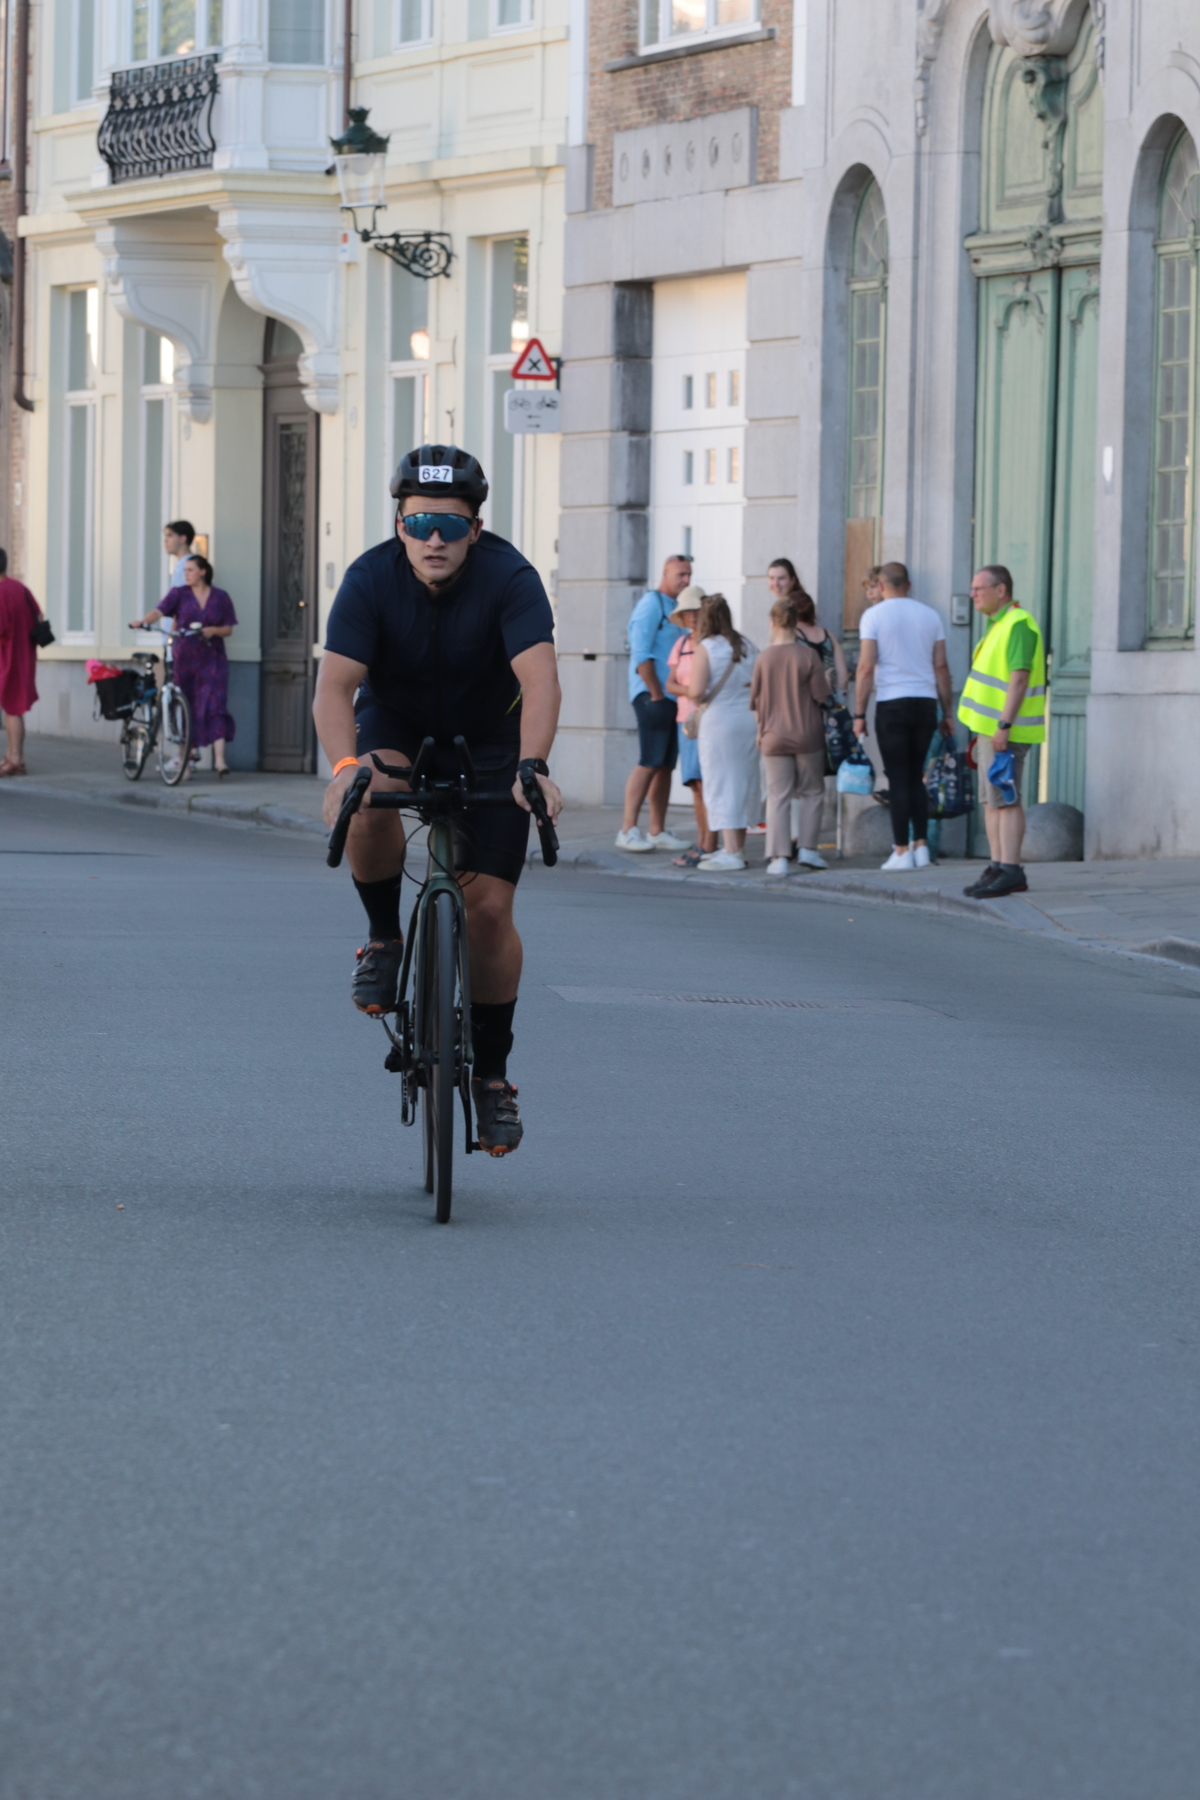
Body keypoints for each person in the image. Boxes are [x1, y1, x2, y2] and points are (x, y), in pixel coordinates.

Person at [312, 443, 562, 1158]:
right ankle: (384, 939)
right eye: (419, 524)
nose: (433, 539)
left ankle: (492, 1077)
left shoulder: (511, 578)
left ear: (474, 531)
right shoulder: (369, 579)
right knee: (368, 793)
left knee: (488, 912)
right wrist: (343, 767)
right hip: (398, 728)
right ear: (400, 525)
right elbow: (335, 687)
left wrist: (533, 766)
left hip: (492, 740)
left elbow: (540, 682)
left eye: (450, 526)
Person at [853, 561, 953, 871]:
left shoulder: (873, 616)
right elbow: (940, 666)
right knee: (916, 777)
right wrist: (947, 712)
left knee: (897, 778)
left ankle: (900, 851)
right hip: (925, 703)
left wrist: (859, 713)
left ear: (881, 586)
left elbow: (866, 667)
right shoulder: (931, 615)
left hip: (892, 703)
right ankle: (921, 847)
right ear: (908, 585)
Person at [957, 564, 1046, 899]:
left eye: (979, 588)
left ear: (1001, 590)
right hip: (990, 731)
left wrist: (1004, 726)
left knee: (1006, 800)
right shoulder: (999, 625)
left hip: (1006, 731)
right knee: (991, 801)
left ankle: (1011, 870)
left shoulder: (1018, 624)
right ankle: (997, 866)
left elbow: (1019, 679)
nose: (972, 594)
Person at [130, 554, 237, 776]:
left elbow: (228, 628)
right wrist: (143, 622)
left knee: (216, 704)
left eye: (190, 570)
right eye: (185, 570)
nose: (186, 574)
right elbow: (159, 611)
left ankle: (220, 760)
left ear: (202, 572)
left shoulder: (220, 597)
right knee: (184, 707)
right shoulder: (179, 594)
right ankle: (185, 763)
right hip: (185, 658)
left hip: (213, 658)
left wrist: (213, 631)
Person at [615, 554, 693, 853]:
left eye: (689, 574)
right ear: (665, 573)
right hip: (652, 696)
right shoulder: (652, 604)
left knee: (664, 766)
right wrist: (657, 694)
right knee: (649, 761)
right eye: (680, 574)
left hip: (672, 697)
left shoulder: (675, 607)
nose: (686, 579)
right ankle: (627, 830)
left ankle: (656, 830)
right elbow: (640, 654)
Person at [750, 595, 832, 875]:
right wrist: (828, 680)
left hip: (772, 734)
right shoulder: (808, 656)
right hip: (807, 732)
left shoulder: (763, 658)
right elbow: (821, 695)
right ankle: (808, 849)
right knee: (812, 792)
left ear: (773, 622)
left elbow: (756, 701)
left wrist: (760, 731)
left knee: (778, 795)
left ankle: (779, 857)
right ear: (796, 623)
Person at [684, 593, 759, 872]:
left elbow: (696, 692)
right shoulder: (748, 645)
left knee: (721, 785)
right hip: (747, 720)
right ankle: (737, 848)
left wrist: (685, 689)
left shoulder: (707, 647)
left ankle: (731, 852)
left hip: (719, 723)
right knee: (742, 784)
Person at [664, 585, 717, 868]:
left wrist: (690, 691)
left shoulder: (713, 643)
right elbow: (669, 684)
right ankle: (702, 841)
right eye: (687, 612)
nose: (692, 617)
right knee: (695, 784)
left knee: (708, 783)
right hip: (686, 721)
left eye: (695, 611)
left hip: (709, 719)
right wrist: (691, 691)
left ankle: (709, 843)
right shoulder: (682, 644)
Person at [767, 559, 849, 698]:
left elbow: (774, 666)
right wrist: (840, 702)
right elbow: (843, 677)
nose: (775, 583)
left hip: (800, 700)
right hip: (829, 699)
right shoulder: (827, 635)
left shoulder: (788, 628)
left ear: (793, 580)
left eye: (781, 578)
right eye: (771, 578)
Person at [0, 550, 42, 777]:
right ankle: (12, 756)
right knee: (13, 708)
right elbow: (38, 616)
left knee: (12, 708)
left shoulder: (1, 592)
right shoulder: (20, 588)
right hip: (25, 655)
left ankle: (15, 759)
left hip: (8, 657)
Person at [164, 521, 196, 591]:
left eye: (170, 536)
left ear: (182, 539)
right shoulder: (181, 565)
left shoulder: (194, 566)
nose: (165, 541)